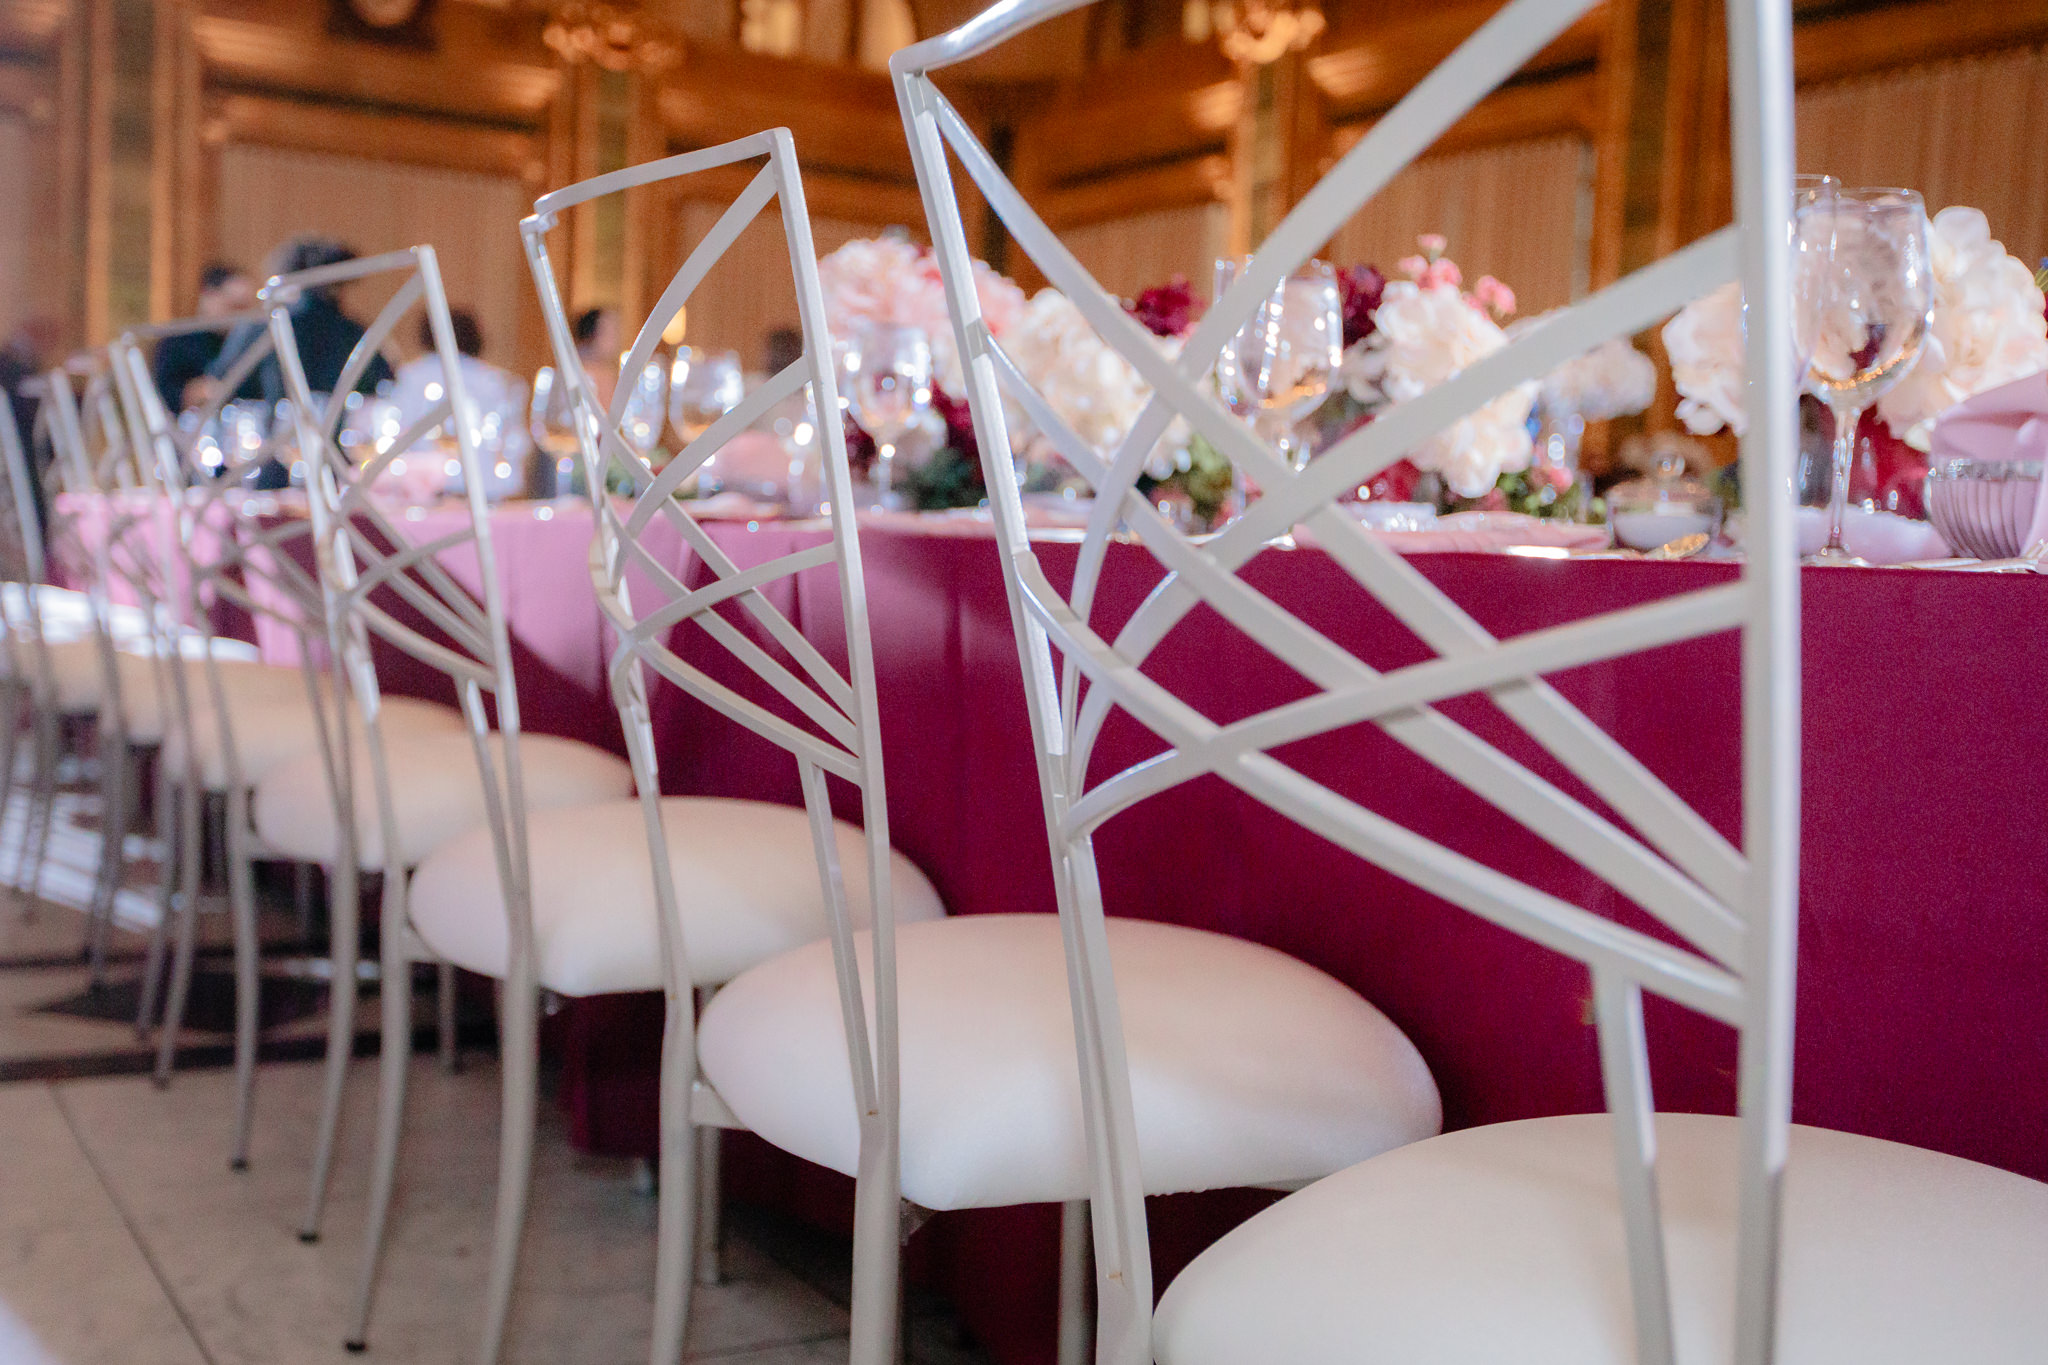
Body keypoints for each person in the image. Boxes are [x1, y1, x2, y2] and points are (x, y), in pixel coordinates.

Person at [206, 235, 395, 409]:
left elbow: (221, 384)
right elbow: (384, 385)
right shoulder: (353, 331)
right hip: (338, 440)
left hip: (273, 439)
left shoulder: (263, 325)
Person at [384, 308, 531, 498]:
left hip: (425, 493)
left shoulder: (409, 377)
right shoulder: (500, 382)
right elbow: (517, 444)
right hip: (487, 492)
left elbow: (393, 436)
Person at [152, 263, 254, 413]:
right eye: (234, 306)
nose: (241, 316)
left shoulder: (252, 343)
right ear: (208, 296)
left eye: (246, 308)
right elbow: (163, 398)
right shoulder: (176, 343)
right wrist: (194, 394)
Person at [574, 306, 621, 409]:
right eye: (611, 331)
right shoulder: (590, 373)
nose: (616, 338)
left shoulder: (608, 371)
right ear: (592, 334)